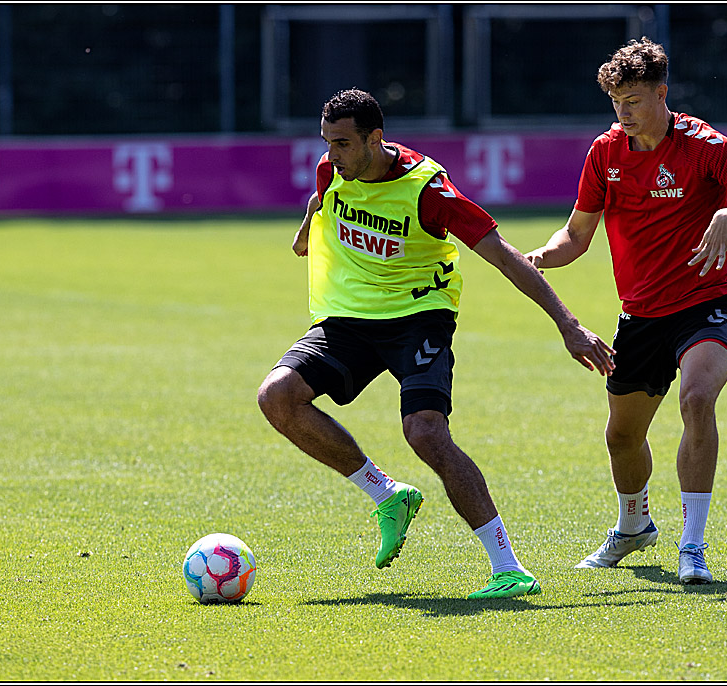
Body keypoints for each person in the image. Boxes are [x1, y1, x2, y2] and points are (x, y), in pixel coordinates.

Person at [257, 88, 615, 599]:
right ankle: (387, 495)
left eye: (342, 143)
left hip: (418, 319)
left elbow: (503, 254)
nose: (331, 155)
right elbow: (322, 199)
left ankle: (509, 568)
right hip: (350, 319)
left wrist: (568, 325)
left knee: (425, 433)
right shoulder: (333, 170)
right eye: (327, 142)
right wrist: (305, 231)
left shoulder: (429, 191)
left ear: (375, 139)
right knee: (277, 396)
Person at [526, 38, 727, 584]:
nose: (623, 112)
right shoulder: (605, 153)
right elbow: (576, 235)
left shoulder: (705, 145)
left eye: (634, 101)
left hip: (706, 304)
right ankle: (633, 527)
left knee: (697, 399)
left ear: (661, 93)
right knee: (621, 437)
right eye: (616, 102)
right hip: (641, 315)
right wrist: (542, 257)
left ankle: (693, 545)